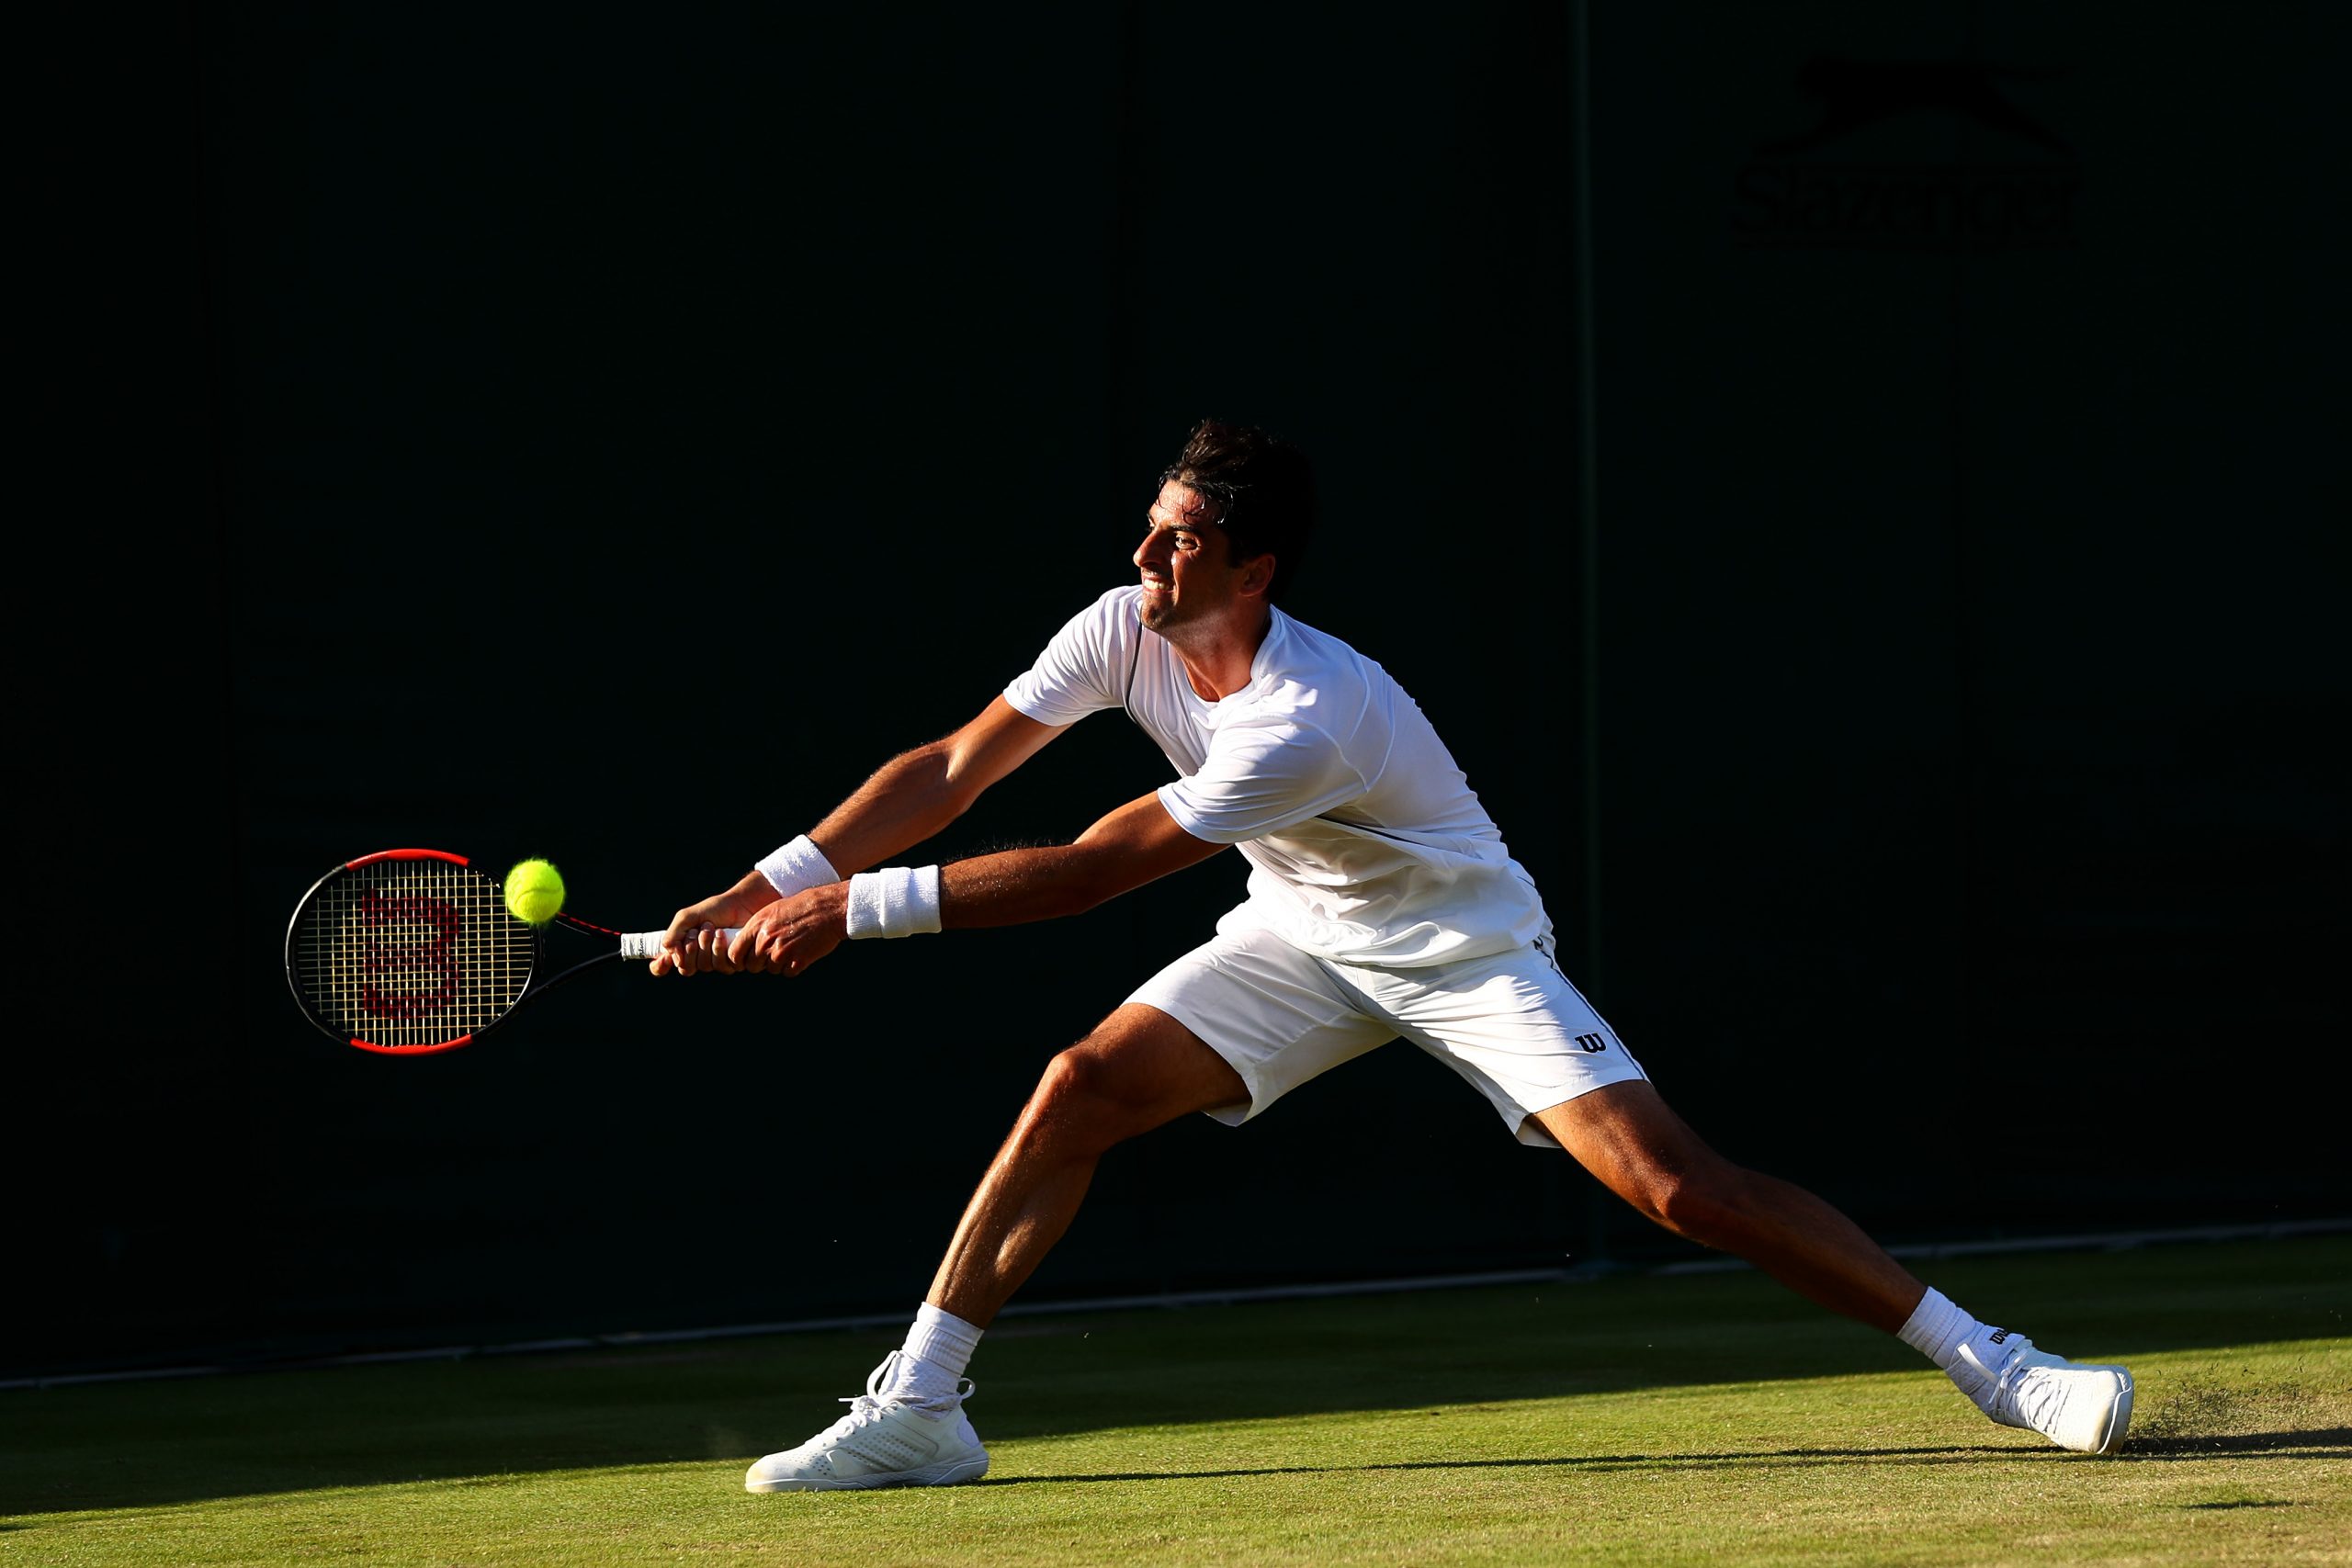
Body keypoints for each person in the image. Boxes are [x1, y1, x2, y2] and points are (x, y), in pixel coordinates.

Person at [654, 419, 2134, 1493]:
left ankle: (2001, 1364)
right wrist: (750, 891)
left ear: (1254, 565)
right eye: (1151, 524)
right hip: (1302, 928)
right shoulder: (1123, 626)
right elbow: (952, 768)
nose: (1144, 553)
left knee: (1681, 1188)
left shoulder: (1309, 712)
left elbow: (1103, 868)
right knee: (1081, 1083)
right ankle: (922, 1408)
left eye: (1179, 538)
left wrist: (858, 914)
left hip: (1459, 944)